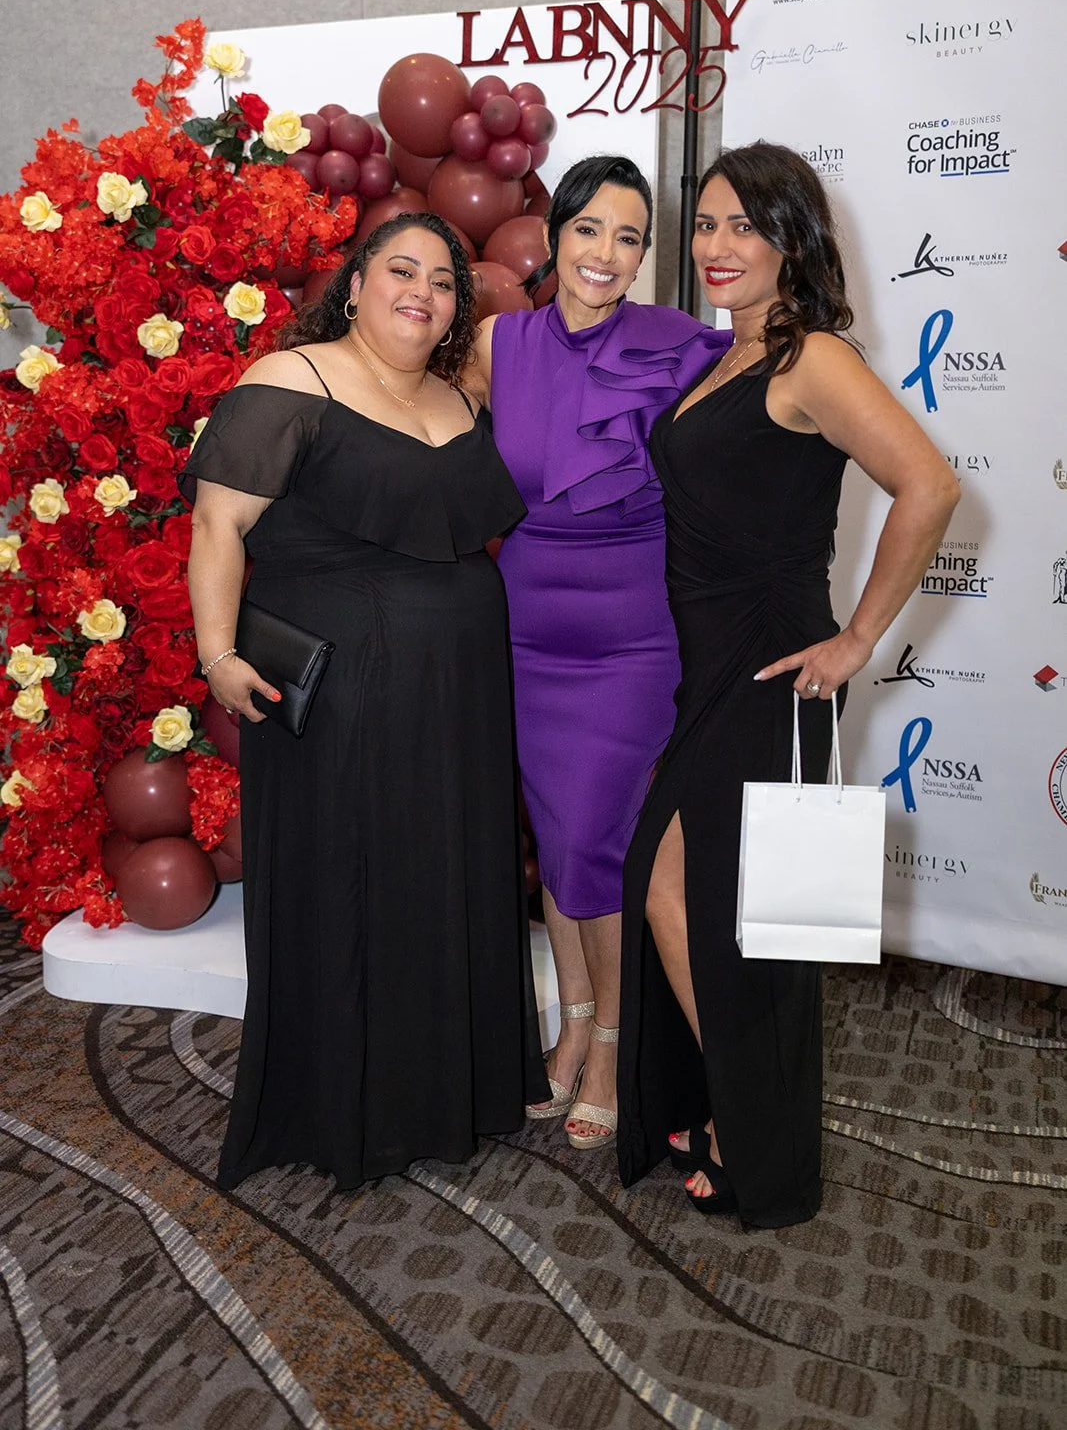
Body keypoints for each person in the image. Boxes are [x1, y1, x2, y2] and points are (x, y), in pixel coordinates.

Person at [617, 143, 960, 1226]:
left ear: (789, 240)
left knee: (724, 910)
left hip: (771, 662)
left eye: (742, 227)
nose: (716, 247)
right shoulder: (724, 356)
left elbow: (928, 484)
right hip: (705, 661)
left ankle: (752, 1136)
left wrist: (857, 635)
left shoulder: (809, 356)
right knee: (678, 893)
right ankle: (731, 1102)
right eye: (705, 225)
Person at [181, 212, 547, 1189]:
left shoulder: (456, 396)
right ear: (354, 284)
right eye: (399, 269)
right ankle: (346, 1111)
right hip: (341, 688)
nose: (419, 289)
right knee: (349, 883)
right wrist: (216, 653)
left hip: (458, 688)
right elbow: (218, 526)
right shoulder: (287, 382)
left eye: (439, 278)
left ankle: (446, 1093)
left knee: (444, 874)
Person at [464, 157, 730, 1149]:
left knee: (599, 845)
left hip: (632, 638)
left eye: (628, 238)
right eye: (589, 231)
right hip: (524, 628)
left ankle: (613, 1045)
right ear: (554, 234)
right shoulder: (499, 342)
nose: (605, 255)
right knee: (552, 832)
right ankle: (572, 1021)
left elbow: (750, 442)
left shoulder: (681, 348)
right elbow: (425, 440)